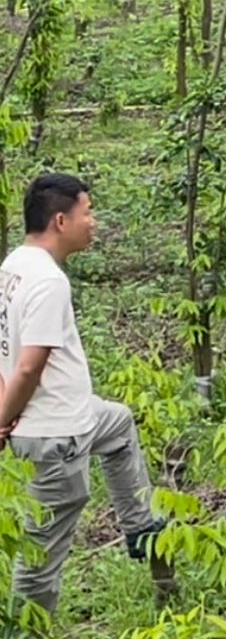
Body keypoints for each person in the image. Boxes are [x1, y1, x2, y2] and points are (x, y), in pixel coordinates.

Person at [0, 174, 172, 616]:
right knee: (41, 556)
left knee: (117, 422)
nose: (93, 221)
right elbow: (27, 365)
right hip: (56, 433)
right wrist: (3, 420)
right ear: (61, 220)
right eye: (87, 212)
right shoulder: (48, 282)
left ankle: (140, 528)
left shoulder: (13, 267)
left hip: (72, 416)